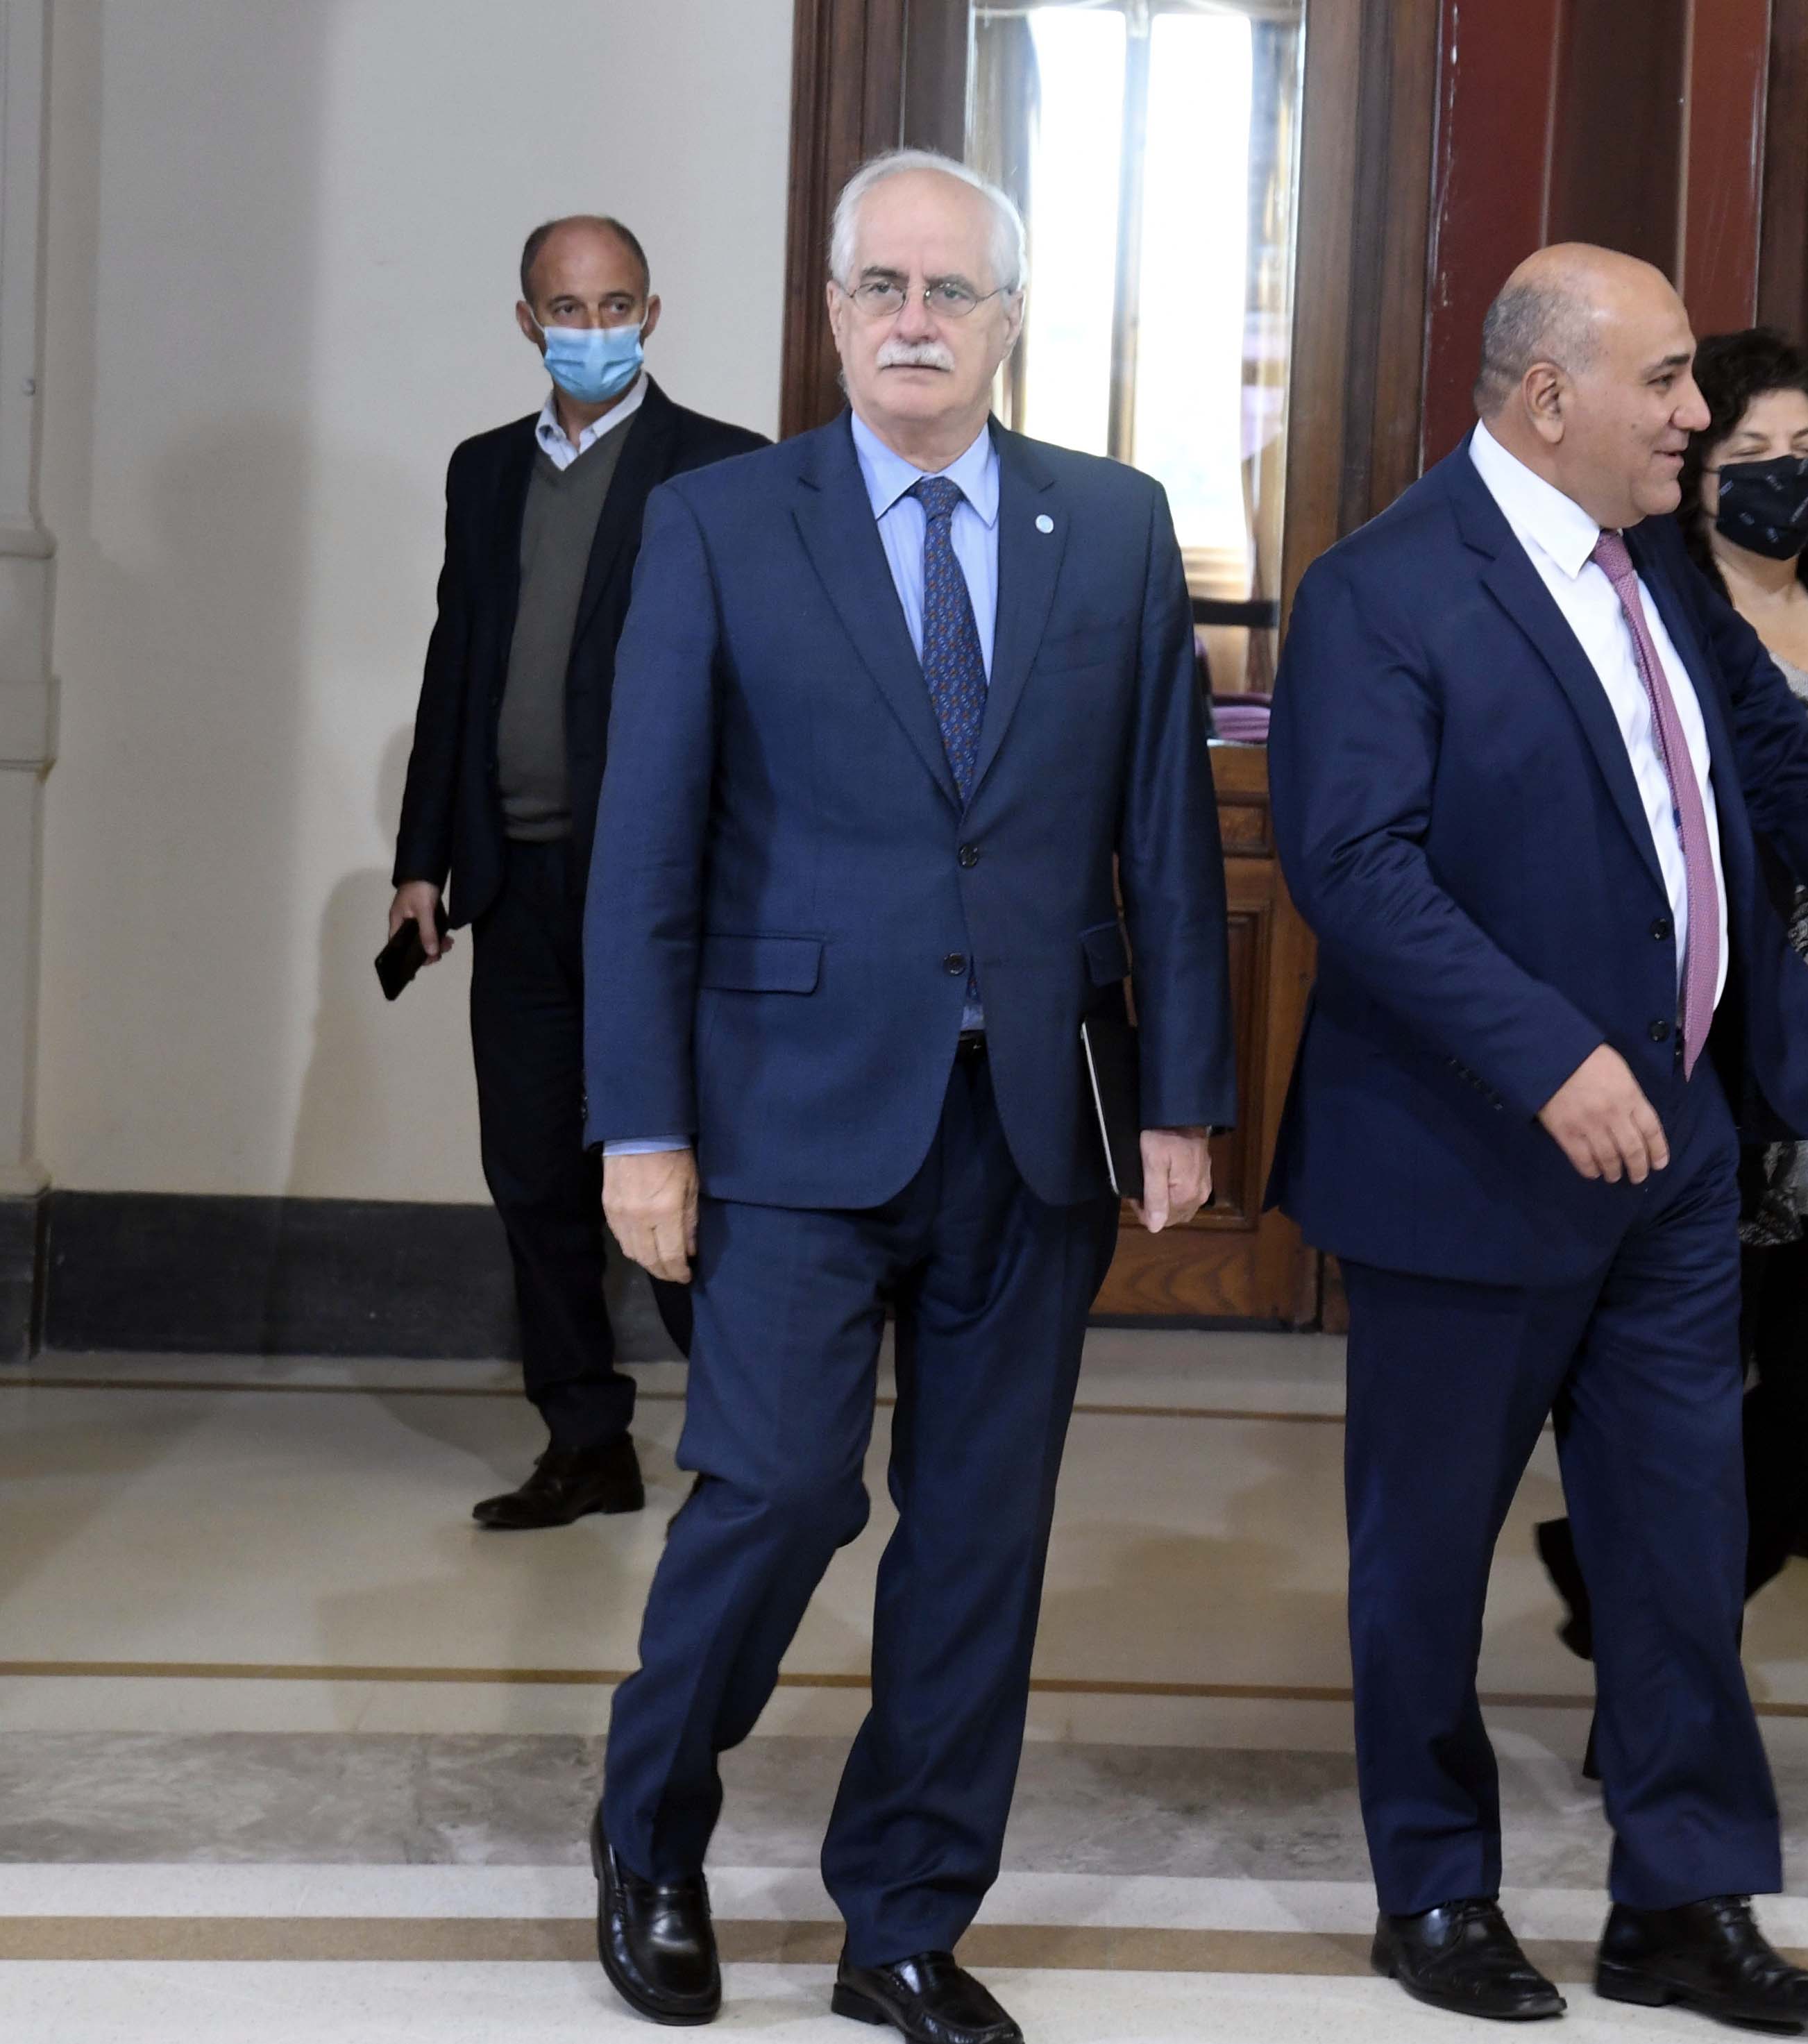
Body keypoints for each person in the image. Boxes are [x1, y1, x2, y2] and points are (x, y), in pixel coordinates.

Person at [582, 149, 1233, 2043]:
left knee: (977, 1535)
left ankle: (906, 1920)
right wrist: (642, 1126)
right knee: (775, 1492)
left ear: (1008, 321)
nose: (914, 322)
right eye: (881, 288)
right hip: (783, 1108)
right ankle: (650, 1838)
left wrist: (1178, 1096)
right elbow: (644, 858)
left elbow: (1165, 845)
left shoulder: (1109, 530)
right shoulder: (719, 523)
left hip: (1030, 1118)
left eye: (951, 293)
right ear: (833, 312)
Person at [1269, 246, 1808, 2032]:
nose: (1699, 419)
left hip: (1677, 1157)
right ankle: (1439, 1891)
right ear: (1549, 395)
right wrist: (1547, 1059)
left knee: (1679, 1545)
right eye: (1672, 383)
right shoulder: (1381, 591)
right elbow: (1357, 873)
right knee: (1426, 1554)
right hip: (1470, 1155)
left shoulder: (1657, 576)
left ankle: (1684, 1903)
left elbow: (1767, 753)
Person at [1531, 327, 1808, 1640]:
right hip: (1714, 1033)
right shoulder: (1656, 601)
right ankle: (1662, 1662)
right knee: (1684, 1381)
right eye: (1752, 454)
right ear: (1697, 460)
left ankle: (1637, 1596)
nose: (1782, 478)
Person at [387, 217, 764, 1530]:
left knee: (673, 1170)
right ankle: (583, 1438)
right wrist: (420, 858)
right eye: (565, 304)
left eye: (613, 304)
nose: (590, 326)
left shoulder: (723, 469)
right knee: (534, 1174)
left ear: (651, 313)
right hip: (517, 884)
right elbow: (458, 663)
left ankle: (747, 1435)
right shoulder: (483, 473)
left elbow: (762, 699)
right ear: (526, 319)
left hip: (659, 901)